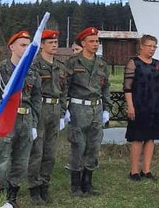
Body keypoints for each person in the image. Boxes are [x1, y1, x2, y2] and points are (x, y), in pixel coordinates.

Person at [0, 30, 41, 207]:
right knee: (2, 160)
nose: (26, 48)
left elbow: (36, 98)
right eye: (23, 45)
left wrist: (34, 123)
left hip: (26, 120)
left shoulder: (32, 71)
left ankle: (12, 197)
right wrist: (1, 104)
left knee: (21, 161)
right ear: (12, 47)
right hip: (6, 120)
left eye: (28, 45)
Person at [63, 26, 110, 197]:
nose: (95, 44)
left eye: (97, 41)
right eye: (91, 41)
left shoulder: (102, 64)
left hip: (96, 108)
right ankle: (75, 185)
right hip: (78, 108)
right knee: (78, 145)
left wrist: (106, 109)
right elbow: (64, 86)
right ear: (83, 43)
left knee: (94, 146)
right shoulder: (73, 62)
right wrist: (64, 109)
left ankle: (87, 182)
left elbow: (106, 87)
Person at [27, 30, 67, 204]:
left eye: (56, 42)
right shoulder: (34, 65)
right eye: (50, 42)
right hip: (40, 107)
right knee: (37, 151)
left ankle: (44, 185)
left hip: (55, 108)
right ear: (42, 45)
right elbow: (30, 91)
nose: (54, 45)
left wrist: (63, 113)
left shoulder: (60, 66)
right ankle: (34, 188)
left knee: (50, 152)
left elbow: (64, 90)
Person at [123, 34, 159, 181]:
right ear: (141, 46)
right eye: (150, 46)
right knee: (138, 138)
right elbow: (127, 87)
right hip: (139, 105)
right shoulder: (133, 63)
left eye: (155, 46)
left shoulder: (157, 64)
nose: (152, 49)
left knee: (150, 138)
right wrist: (130, 106)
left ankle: (146, 169)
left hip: (155, 105)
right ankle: (134, 171)